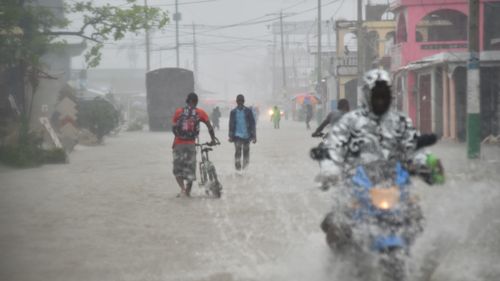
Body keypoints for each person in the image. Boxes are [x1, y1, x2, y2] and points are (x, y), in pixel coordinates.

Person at [312, 69, 444, 244]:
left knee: (415, 213)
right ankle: (339, 265)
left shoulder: (401, 122)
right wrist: (329, 171)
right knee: (338, 222)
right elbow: (333, 148)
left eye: (384, 94)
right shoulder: (350, 122)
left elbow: (413, 146)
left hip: (393, 180)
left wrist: (428, 163)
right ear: (367, 95)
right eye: (376, 94)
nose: (380, 99)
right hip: (357, 180)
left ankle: (416, 252)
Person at [172, 92, 218, 197]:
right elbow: (210, 127)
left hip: (178, 144)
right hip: (191, 144)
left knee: (177, 169)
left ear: (187, 101)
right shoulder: (199, 112)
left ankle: (183, 190)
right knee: (190, 170)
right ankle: (188, 192)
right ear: (196, 102)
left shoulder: (178, 112)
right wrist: (213, 140)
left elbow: (173, 129)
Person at [229, 94, 256, 171]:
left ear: (243, 102)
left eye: (241, 101)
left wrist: (254, 136)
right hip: (237, 136)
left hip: (247, 136)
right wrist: (230, 136)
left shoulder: (248, 111)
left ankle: (245, 169)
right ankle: (238, 169)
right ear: (236, 102)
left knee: (246, 153)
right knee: (238, 152)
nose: (240, 102)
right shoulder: (233, 112)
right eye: (238, 101)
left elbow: (252, 124)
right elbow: (231, 124)